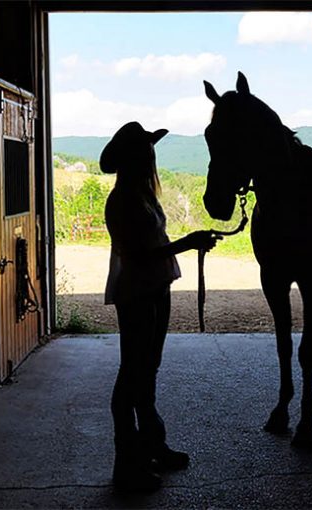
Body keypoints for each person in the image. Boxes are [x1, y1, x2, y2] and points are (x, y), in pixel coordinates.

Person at [100, 121, 220, 491]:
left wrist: (189, 243)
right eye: (147, 151)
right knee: (132, 376)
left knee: (146, 370)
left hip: (153, 289)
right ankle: (127, 465)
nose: (152, 157)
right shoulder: (123, 200)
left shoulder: (139, 195)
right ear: (137, 157)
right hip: (138, 292)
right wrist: (189, 241)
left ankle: (152, 446)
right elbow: (138, 255)